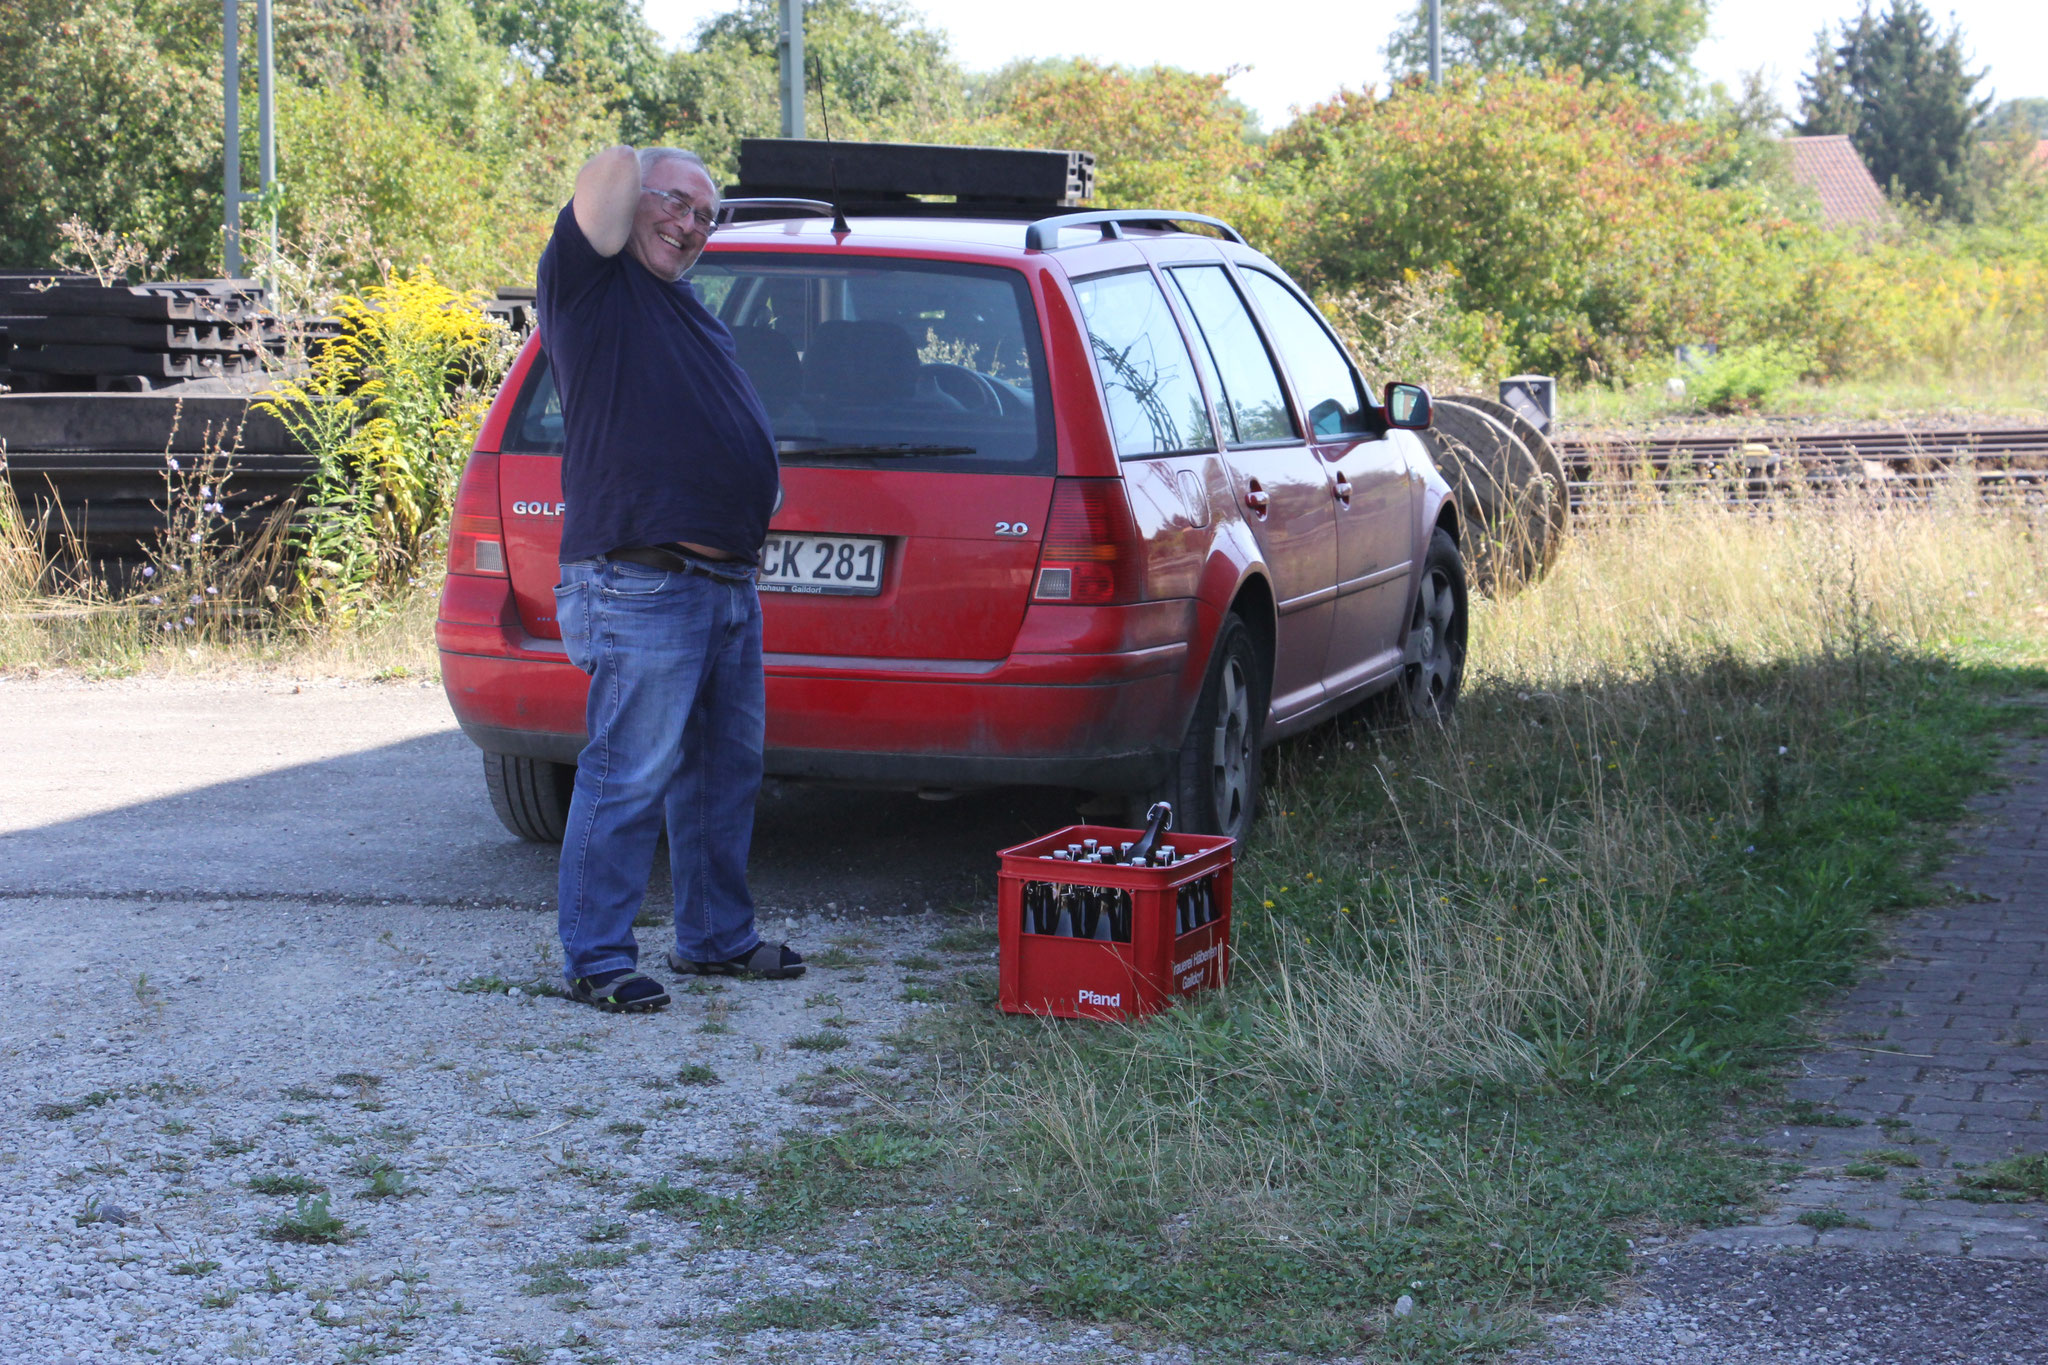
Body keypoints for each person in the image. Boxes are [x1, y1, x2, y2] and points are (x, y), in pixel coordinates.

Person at [536, 143, 805, 1012]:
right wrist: (649, 164)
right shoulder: (589, 287)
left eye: (704, 215)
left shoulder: (686, 309)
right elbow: (609, 171)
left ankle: (716, 939)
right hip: (641, 578)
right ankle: (597, 958)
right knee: (628, 772)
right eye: (675, 204)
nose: (689, 225)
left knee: (723, 770)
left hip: (725, 583)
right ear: (632, 206)